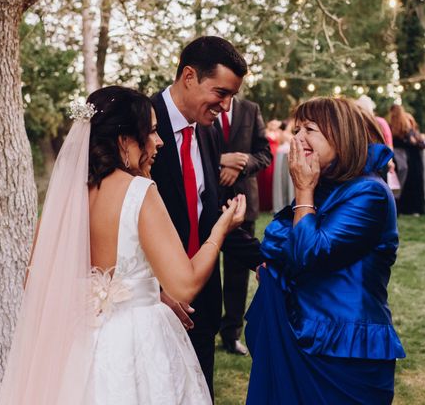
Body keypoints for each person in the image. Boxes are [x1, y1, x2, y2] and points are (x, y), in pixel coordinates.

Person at [0, 86, 247, 404]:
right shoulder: (139, 191)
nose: (159, 142)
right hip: (138, 344)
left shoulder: (67, 197)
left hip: (79, 348)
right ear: (123, 140)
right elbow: (185, 285)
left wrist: (145, 289)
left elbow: (35, 281)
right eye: (152, 132)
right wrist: (219, 231)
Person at [244, 97, 405, 404]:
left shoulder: (369, 192)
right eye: (297, 128)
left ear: (341, 135)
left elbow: (308, 254)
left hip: (344, 347)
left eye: (310, 129)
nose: (298, 137)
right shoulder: (325, 185)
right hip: (301, 332)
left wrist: (303, 191)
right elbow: (275, 244)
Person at [150, 36, 262, 398]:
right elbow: (116, 220)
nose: (226, 106)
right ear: (188, 77)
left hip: (202, 300)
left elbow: (210, 213)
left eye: (231, 96)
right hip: (152, 305)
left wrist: (265, 261)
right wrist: (155, 289)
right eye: (220, 92)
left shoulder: (208, 132)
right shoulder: (138, 126)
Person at [214, 97, 272, 355]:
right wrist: (221, 161)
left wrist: (241, 165)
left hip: (243, 201)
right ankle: (204, 325)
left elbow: (264, 153)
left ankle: (231, 334)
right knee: (205, 269)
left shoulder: (251, 108)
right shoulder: (205, 106)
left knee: (238, 274)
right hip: (209, 199)